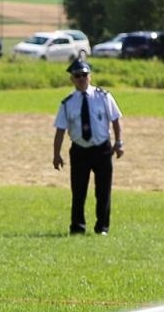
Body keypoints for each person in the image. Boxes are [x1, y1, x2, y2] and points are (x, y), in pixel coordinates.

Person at [52, 57, 123, 235]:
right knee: (78, 192)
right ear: (72, 79)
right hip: (79, 151)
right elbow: (60, 129)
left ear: (89, 76)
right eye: (77, 76)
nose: (81, 79)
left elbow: (115, 119)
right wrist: (56, 154)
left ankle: (102, 228)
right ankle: (77, 228)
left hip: (102, 149)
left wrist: (119, 142)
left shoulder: (103, 96)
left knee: (103, 192)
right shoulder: (67, 103)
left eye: (84, 75)